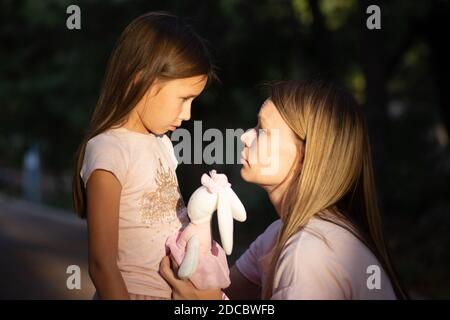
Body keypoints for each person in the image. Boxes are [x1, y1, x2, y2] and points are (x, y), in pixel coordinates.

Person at [159, 80, 409, 300]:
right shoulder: (280, 234)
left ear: (306, 155)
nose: (245, 137)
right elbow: (225, 290)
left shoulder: (308, 252)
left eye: (262, 130)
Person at [72, 11, 218, 300]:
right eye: (183, 99)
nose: (187, 114)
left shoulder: (161, 144)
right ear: (142, 82)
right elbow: (102, 265)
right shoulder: (109, 150)